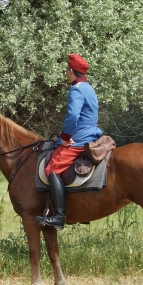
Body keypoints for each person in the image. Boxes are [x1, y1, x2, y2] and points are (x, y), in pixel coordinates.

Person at [37, 54, 104, 230]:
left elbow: (73, 117)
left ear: (71, 71)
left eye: (66, 70)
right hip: (92, 134)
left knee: (51, 168)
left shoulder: (76, 89)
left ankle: (59, 216)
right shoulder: (89, 88)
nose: (66, 73)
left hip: (79, 139)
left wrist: (65, 139)